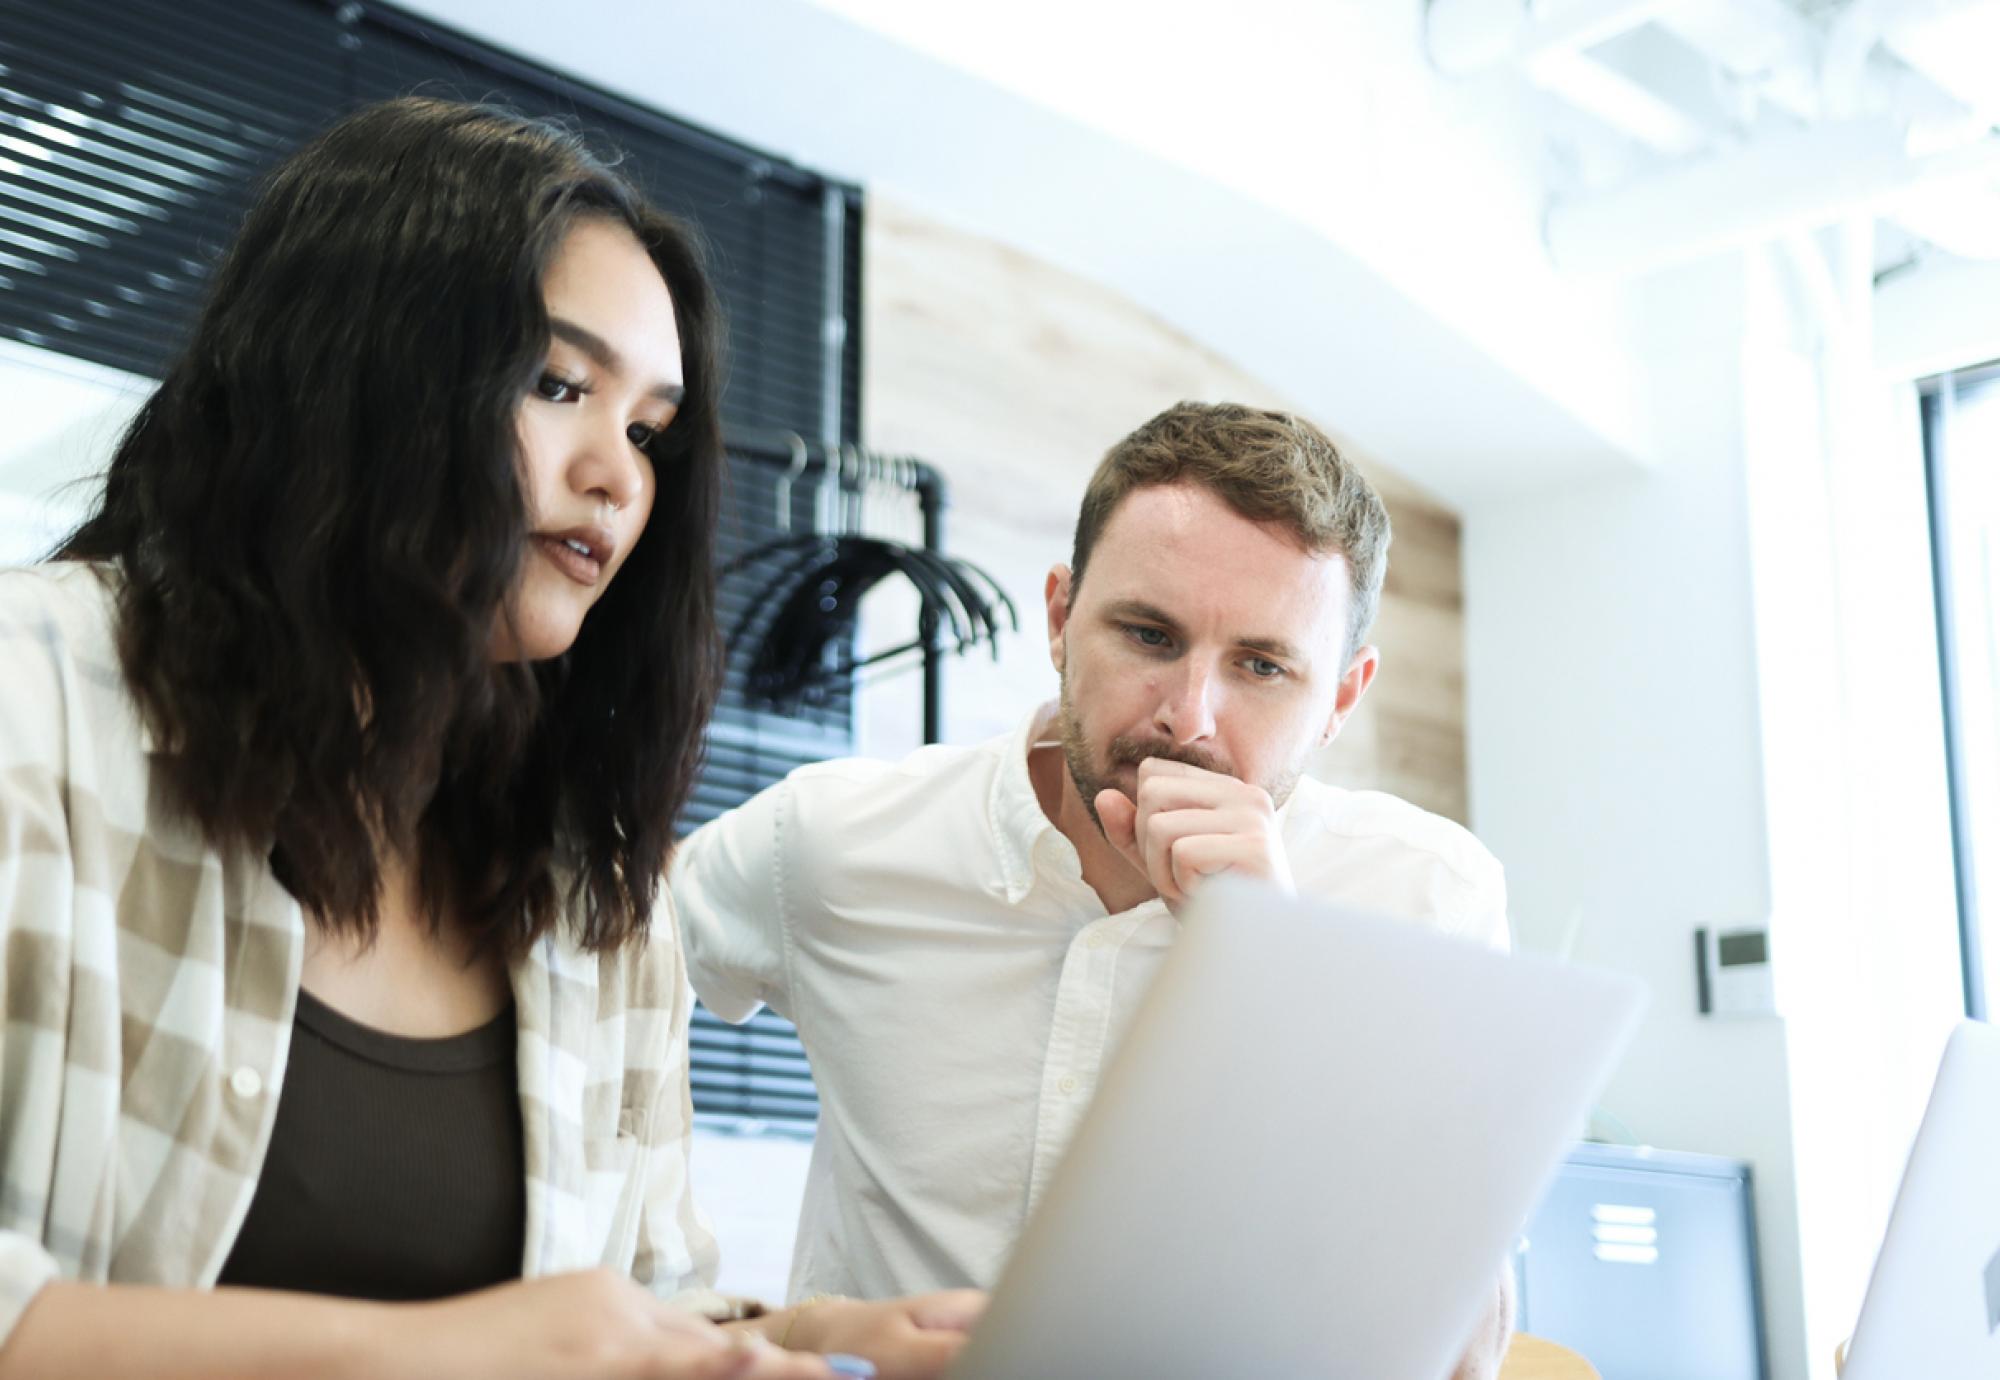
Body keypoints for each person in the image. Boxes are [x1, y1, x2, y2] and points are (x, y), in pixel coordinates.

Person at [0, 97, 976, 1380]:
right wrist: (413, 1355)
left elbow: (624, 1303)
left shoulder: (592, 884)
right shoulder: (38, 701)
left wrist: (803, 1338)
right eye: (557, 383)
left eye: (646, 432)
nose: (619, 480)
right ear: (353, 363)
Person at [671, 402, 1515, 1377]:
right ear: (1061, 618)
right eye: (1149, 635)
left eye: (1260, 665)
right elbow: (583, 964)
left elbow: (1461, 1358)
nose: (1187, 718)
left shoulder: (1426, 900)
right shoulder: (831, 839)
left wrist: (1282, 976)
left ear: (1339, 696)